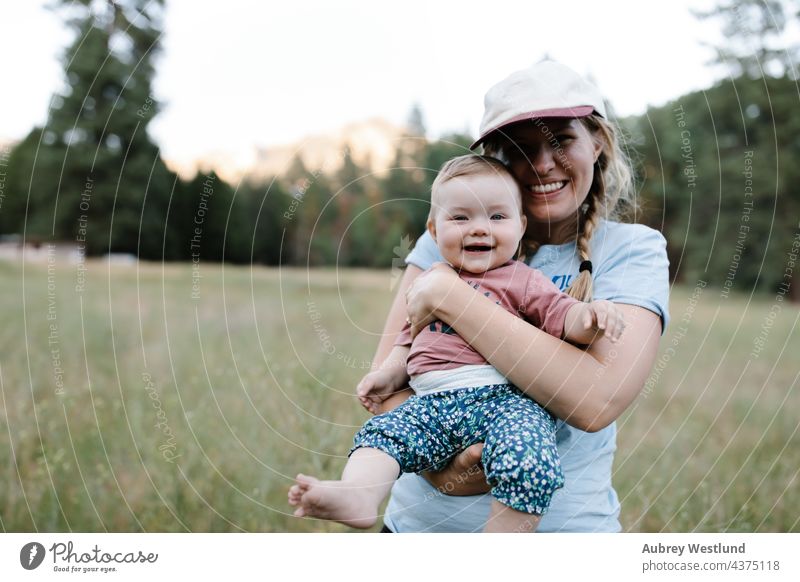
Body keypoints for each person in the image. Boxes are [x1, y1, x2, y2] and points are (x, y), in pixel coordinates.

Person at [376, 60, 670, 532]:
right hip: (421, 528)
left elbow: (595, 400)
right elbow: (389, 383)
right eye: (520, 148)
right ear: (496, 157)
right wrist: (444, 469)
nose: (542, 163)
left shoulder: (632, 251)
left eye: (562, 141)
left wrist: (452, 298)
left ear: (597, 142)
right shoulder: (451, 237)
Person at [288, 154, 626, 532]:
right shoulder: (431, 284)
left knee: (529, 454)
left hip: (503, 402)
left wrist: (592, 316)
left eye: (497, 217)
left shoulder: (521, 279)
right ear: (434, 230)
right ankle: (358, 493)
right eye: (461, 218)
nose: (479, 229)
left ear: (520, 226)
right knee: (384, 436)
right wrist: (387, 376)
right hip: (431, 403)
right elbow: (407, 343)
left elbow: (562, 316)